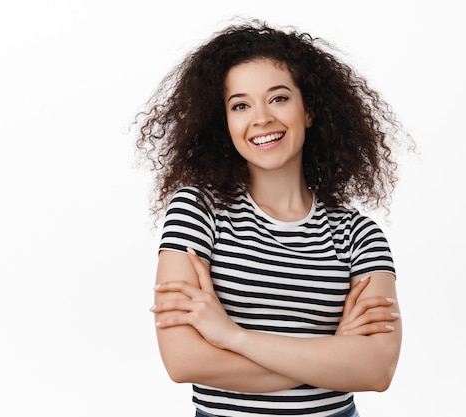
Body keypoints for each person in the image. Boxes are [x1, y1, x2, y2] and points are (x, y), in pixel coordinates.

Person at [135, 18, 411, 417]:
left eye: (278, 98)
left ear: (309, 110)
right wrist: (332, 356)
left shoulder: (359, 234)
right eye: (241, 105)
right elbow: (184, 362)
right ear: (225, 122)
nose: (260, 118)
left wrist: (231, 336)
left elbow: (377, 369)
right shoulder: (197, 212)